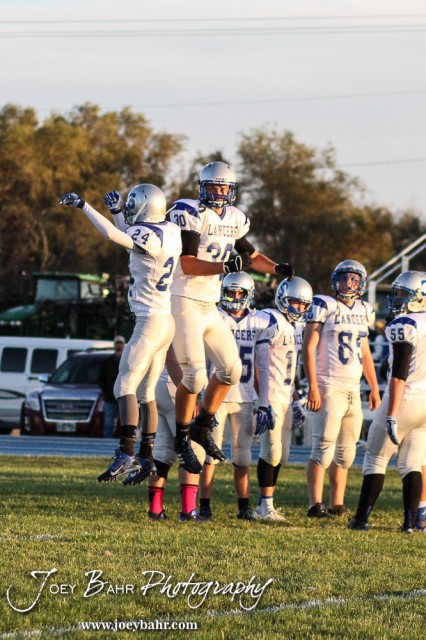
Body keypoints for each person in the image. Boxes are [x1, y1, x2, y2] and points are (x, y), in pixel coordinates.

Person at [167, 160, 294, 475]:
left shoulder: (235, 218)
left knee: (231, 370)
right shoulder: (191, 212)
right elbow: (187, 264)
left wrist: (277, 268)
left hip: (208, 304)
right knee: (194, 376)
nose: (219, 192)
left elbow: (252, 257)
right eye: (214, 186)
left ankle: (202, 424)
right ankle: (182, 437)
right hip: (184, 300)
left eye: (224, 187)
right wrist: (226, 267)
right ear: (202, 187)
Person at [59, 185, 182, 483]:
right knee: (146, 393)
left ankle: (127, 452)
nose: (128, 209)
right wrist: (116, 213)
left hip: (149, 322)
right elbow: (131, 239)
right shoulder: (169, 230)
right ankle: (146, 455)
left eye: (132, 206)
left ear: (145, 208)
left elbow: (114, 236)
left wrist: (85, 206)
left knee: (123, 385)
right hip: (165, 320)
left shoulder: (148, 235)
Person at [348, 270, 426, 532]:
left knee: (375, 459)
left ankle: (361, 519)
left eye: (403, 294)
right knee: (411, 463)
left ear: (420, 297)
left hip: (404, 399)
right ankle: (410, 524)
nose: (397, 299)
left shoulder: (405, 324)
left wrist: (392, 413)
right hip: (425, 402)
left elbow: (399, 373)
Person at [303, 259, 381, 518]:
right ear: (335, 280)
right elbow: (309, 348)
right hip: (328, 384)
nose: (348, 283)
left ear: (361, 283)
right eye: (344, 278)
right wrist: (313, 386)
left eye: (353, 279)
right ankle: (315, 504)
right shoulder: (324, 305)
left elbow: (365, 352)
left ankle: (337, 503)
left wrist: (373, 387)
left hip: (352, 388)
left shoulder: (365, 309)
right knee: (323, 448)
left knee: (346, 452)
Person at [198, 272, 277, 521]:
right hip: (216, 397)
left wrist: (263, 402)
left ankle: (244, 507)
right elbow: (202, 361)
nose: (235, 296)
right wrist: (201, 396)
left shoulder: (260, 321)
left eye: (240, 292)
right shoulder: (214, 317)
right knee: (209, 455)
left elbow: (262, 366)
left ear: (249, 294)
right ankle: (204, 506)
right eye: (231, 291)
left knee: (242, 456)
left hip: (244, 397)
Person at [253, 276, 313, 521]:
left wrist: (296, 399)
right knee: (272, 451)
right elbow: (258, 362)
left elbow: (292, 366)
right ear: (282, 299)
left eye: (303, 304)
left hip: (286, 395)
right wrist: (262, 400)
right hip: (270, 395)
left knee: (282, 454)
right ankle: (264, 506)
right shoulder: (271, 319)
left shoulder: (296, 326)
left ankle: (266, 503)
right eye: (295, 302)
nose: (299, 308)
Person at [126, 346, 207, 522]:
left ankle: (155, 511)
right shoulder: (177, 326)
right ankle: (188, 511)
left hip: (157, 386)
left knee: (162, 453)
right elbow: (172, 357)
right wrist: (190, 395)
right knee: (193, 450)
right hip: (175, 384)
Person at [98, 335, 125, 438]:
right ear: (114, 345)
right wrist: (106, 392)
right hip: (110, 397)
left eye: (121, 343)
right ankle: (107, 442)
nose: (119, 345)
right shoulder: (107, 361)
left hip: (124, 396)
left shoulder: (127, 360)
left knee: (126, 422)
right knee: (109, 422)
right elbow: (101, 378)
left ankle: (125, 442)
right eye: (117, 343)